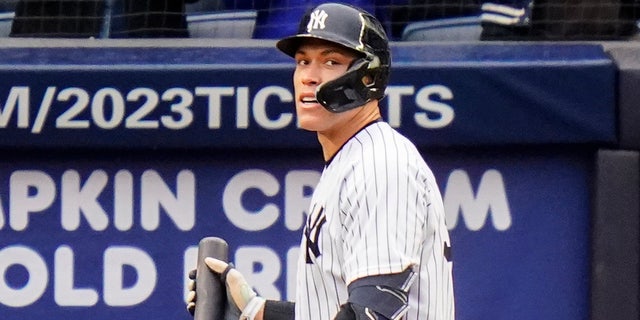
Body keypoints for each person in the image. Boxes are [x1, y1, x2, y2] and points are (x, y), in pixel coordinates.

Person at [187, 3, 455, 320]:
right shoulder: (351, 160)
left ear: (368, 77)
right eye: (303, 61)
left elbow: (374, 313)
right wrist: (257, 311)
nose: (309, 77)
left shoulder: (380, 164)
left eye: (330, 61)